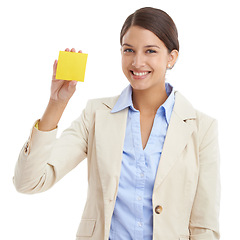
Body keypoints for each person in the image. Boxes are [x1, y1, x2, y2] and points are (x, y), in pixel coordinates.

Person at [13, 7, 220, 240]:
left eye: (150, 51)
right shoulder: (96, 115)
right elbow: (28, 182)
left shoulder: (202, 128)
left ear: (171, 57)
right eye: (128, 50)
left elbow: (204, 226)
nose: (137, 61)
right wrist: (56, 103)